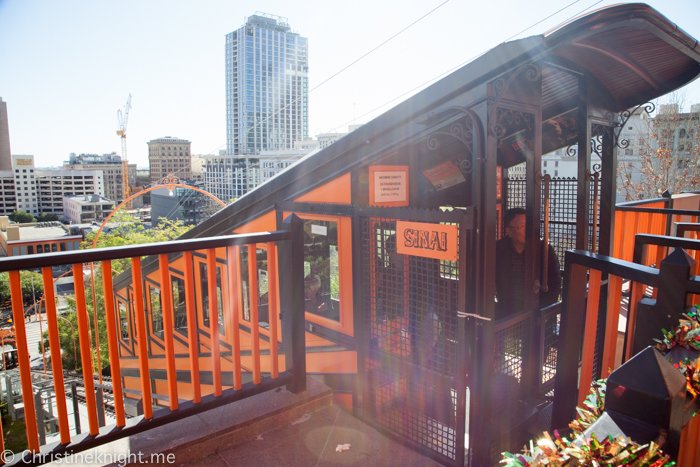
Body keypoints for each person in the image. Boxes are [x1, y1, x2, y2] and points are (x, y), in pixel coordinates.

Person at [495, 207, 561, 320]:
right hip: (507, 307)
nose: (527, 230)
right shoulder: (498, 249)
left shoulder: (543, 250)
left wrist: (544, 312)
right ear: (509, 231)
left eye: (528, 225)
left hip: (537, 309)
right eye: (522, 227)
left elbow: (555, 283)